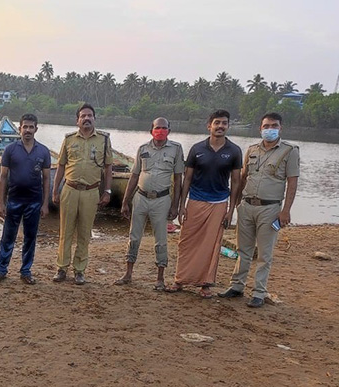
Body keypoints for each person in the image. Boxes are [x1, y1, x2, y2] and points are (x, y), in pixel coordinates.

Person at [219, 112, 299, 307]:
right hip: (247, 206)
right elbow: (242, 177)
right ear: (260, 128)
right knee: (243, 250)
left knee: (264, 254)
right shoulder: (252, 150)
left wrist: (286, 211)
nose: (269, 129)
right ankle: (237, 286)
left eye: (274, 126)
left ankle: (259, 292)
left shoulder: (289, 151)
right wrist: (235, 205)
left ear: (280, 128)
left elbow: (292, 182)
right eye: (266, 126)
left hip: (270, 208)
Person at [166, 110, 242, 298]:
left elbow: (236, 183)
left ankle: (205, 283)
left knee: (212, 245)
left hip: (219, 203)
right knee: (187, 241)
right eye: (217, 123)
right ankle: (180, 279)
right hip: (196, 200)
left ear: (228, 126)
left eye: (224, 123)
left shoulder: (234, 151)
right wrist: (182, 205)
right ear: (209, 126)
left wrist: (230, 210)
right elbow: (188, 178)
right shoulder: (197, 149)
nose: (220, 126)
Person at [115, 117, 184, 290]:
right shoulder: (143, 149)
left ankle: (160, 278)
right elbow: (134, 176)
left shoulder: (176, 149)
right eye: (157, 127)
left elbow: (178, 178)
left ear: (169, 129)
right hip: (140, 197)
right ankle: (128, 273)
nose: (160, 130)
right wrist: (125, 202)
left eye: (164, 128)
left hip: (162, 199)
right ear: (151, 130)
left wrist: (175, 205)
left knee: (160, 239)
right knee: (134, 236)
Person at [52, 103, 113, 285]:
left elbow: (108, 167)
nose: (86, 119)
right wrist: (55, 190)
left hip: (91, 191)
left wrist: (107, 191)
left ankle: (79, 270)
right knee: (65, 232)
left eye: (90, 116)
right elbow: (61, 165)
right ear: (77, 120)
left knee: (85, 233)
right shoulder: (69, 139)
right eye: (83, 116)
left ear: (94, 119)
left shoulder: (103, 140)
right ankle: (62, 268)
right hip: (69, 190)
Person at [0, 114, 51, 285]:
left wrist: (45, 204)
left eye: (31, 127)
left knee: (30, 238)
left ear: (36, 129)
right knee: (7, 237)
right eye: (25, 127)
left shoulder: (43, 151)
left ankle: (26, 271)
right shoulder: (10, 149)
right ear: (19, 129)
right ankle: (1, 270)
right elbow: (3, 177)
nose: (28, 130)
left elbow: (46, 179)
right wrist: (1, 203)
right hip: (14, 200)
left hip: (34, 200)